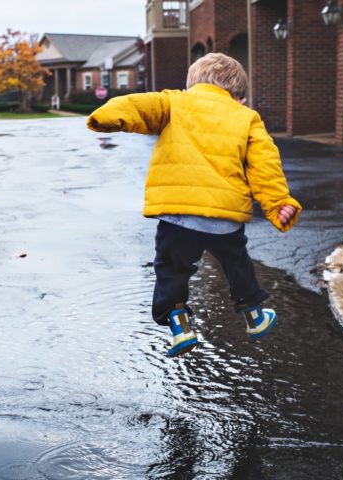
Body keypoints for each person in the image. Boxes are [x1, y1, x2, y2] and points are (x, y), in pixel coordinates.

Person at [87, 53, 301, 358]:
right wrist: (278, 203)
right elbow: (264, 165)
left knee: (171, 269)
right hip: (224, 218)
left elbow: (137, 106)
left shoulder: (175, 102)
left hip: (178, 217)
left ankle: (180, 324)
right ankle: (254, 315)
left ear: (192, 84)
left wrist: (106, 117)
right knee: (237, 264)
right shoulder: (246, 117)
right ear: (238, 95)